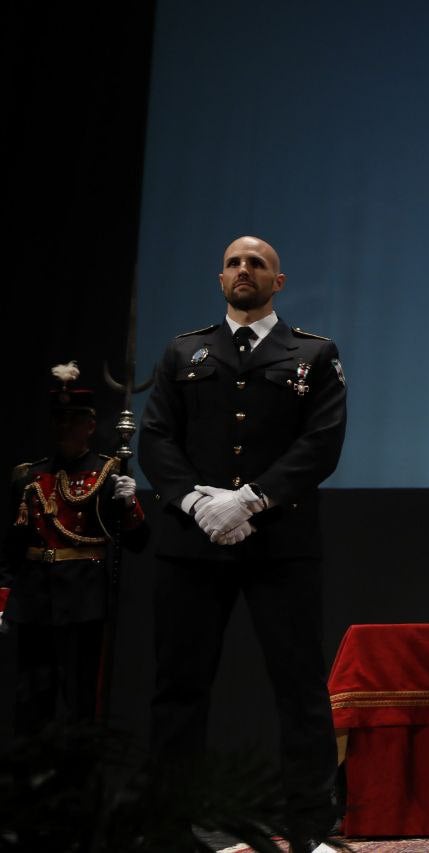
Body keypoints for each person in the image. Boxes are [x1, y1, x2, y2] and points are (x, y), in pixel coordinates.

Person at [139, 235, 347, 852]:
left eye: (257, 263)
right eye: (233, 262)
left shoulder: (314, 353)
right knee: (179, 689)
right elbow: (156, 440)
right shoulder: (184, 351)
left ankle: (313, 831)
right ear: (220, 277)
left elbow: (322, 443)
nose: (244, 270)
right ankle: (168, 830)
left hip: (278, 542)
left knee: (301, 687)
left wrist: (252, 498)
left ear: (278, 281)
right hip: (192, 544)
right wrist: (197, 501)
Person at [1, 362, 146, 734]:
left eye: (73, 420)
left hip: (84, 597)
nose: (64, 428)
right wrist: (4, 597)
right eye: (58, 420)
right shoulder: (29, 476)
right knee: (30, 698)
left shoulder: (107, 474)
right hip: (34, 597)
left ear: (90, 426)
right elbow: (13, 545)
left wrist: (129, 506)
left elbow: (138, 542)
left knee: (82, 699)